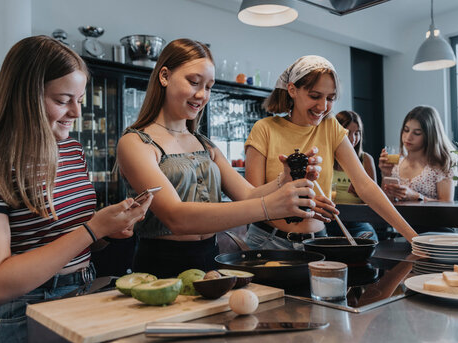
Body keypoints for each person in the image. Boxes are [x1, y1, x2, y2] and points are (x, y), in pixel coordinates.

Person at [0, 36, 152, 343]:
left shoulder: (71, 149)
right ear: (24, 97)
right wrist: (93, 229)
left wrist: (109, 232)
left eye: (80, 99)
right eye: (63, 99)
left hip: (81, 295)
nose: (76, 112)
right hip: (18, 316)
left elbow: (67, 239)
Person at [116, 39, 333, 278]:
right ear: (165, 76)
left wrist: (285, 179)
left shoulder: (205, 144)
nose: (202, 95)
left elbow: (248, 194)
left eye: (209, 87)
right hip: (160, 268)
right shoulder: (136, 142)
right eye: (194, 82)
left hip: (211, 262)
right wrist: (267, 207)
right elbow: (175, 216)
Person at [244, 55, 417, 250]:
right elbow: (251, 201)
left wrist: (413, 238)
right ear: (292, 90)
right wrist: (300, 202)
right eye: (315, 96)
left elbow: (365, 185)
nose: (323, 107)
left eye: (331, 98)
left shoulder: (330, 127)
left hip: (318, 242)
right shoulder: (265, 129)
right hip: (270, 242)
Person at [379, 105, 456, 203]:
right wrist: (386, 174)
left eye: (417, 133)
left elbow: (447, 204)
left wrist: (417, 197)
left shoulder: (441, 166)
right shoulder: (395, 165)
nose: (408, 137)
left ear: (430, 136)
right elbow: (385, 203)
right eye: (406, 130)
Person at [326, 110, 378, 240]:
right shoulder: (325, 158)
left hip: (357, 223)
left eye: (357, 133)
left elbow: (375, 202)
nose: (353, 138)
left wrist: (361, 193)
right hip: (327, 221)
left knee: (368, 241)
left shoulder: (365, 159)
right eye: (348, 133)